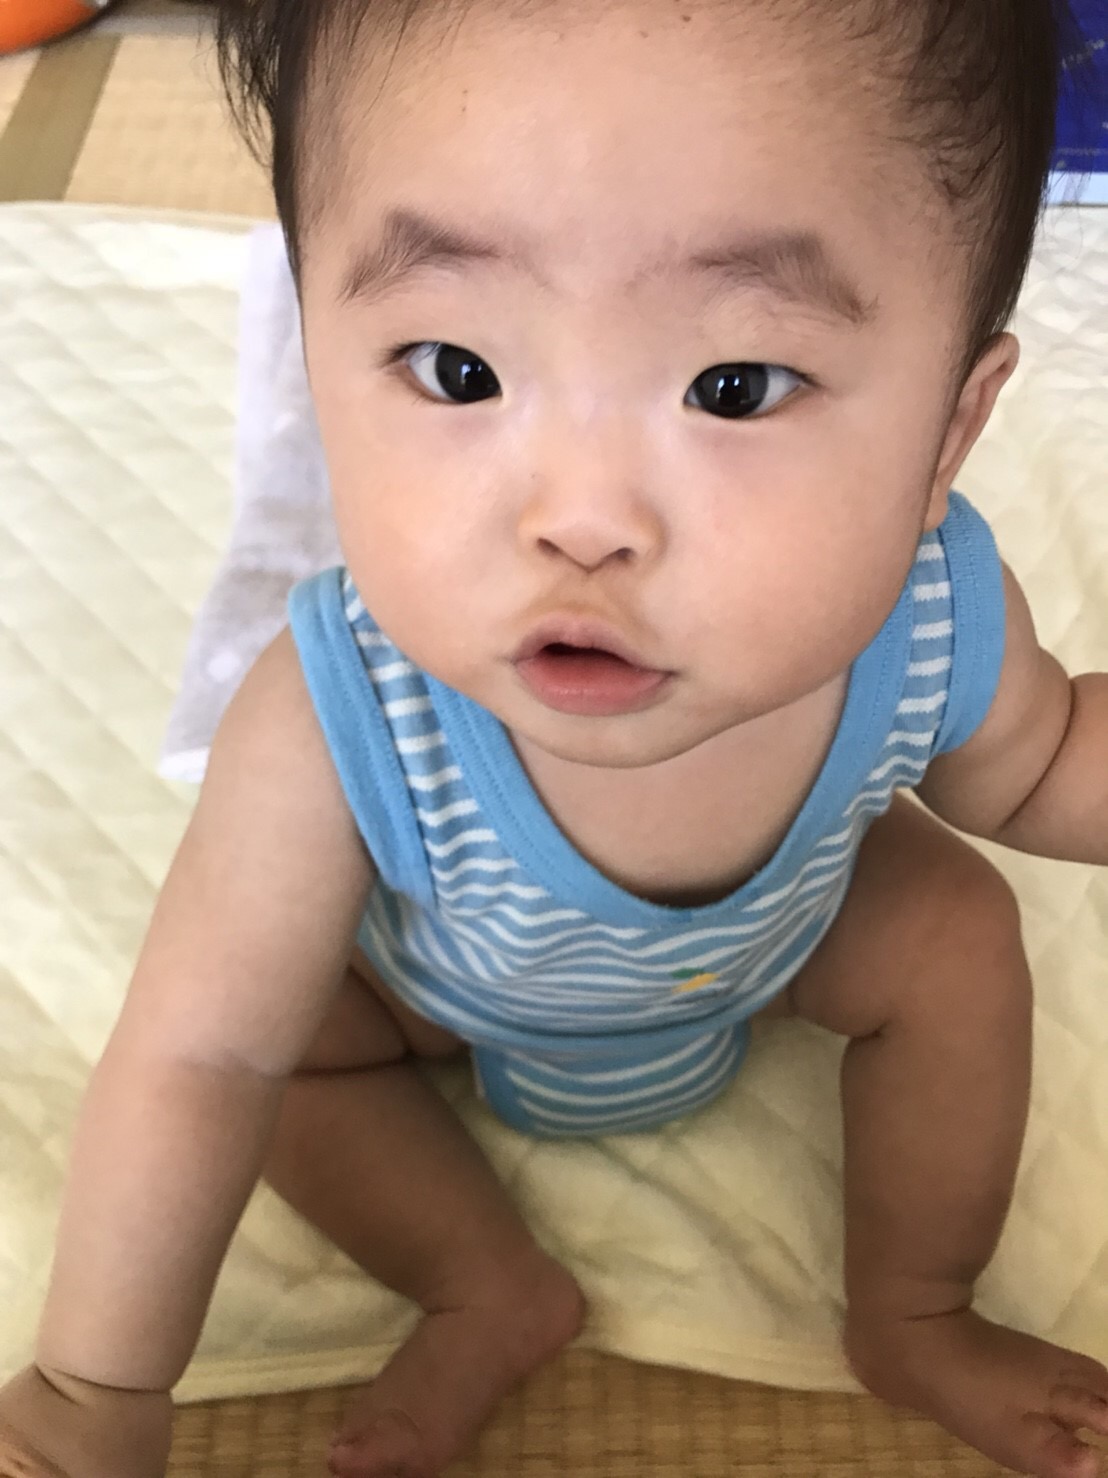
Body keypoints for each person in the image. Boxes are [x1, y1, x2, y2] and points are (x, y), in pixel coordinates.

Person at [2, 1, 1107, 1475]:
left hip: (786, 949)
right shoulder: (338, 715)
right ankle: (482, 1282)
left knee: (956, 932)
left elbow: (1045, 764)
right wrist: (95, 1389)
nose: (580, 520)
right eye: (457, 369)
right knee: (272, 1043)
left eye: (734, 388)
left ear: (947, 438)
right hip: (440, 996)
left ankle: (915, 1309)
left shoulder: (932, 617)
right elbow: (200, 1057)